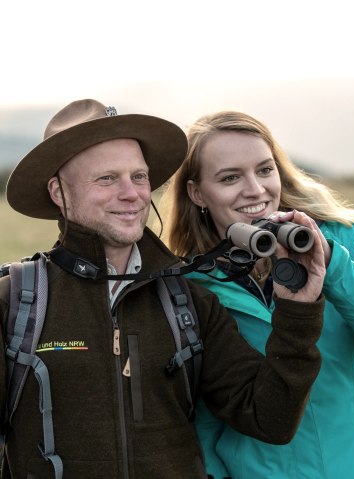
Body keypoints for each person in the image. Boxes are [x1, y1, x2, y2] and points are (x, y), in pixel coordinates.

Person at [0, 100, 327, 479]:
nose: (132, 194)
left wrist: (297, 312)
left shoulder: (189, 301)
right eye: (107, 179)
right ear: (59, 192)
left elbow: (270, 420)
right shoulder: (16, 303)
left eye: (139, 177)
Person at [161, 110, 354, 479]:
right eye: (230, 177)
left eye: (264, 169)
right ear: (197, 193)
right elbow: (203, 421)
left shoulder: (345, 239)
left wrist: (333, 264)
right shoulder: (191, 289)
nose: (256, 189)